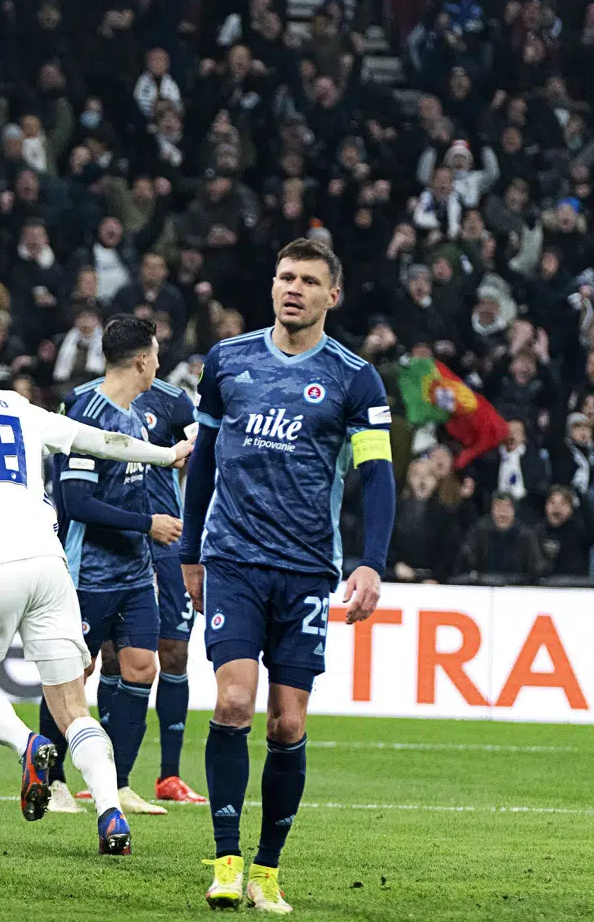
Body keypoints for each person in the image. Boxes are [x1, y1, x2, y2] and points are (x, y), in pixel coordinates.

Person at [0, 329, 190, 855]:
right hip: (49, 561)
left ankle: (27, 744)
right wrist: (167, 455)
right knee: (74, 704)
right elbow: (97, 440)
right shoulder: (17, 405)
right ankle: (111, 812)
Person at [179, 238, 396, 912]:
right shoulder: (227, 361)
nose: (292, 288)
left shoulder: (354, 377)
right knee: (233, 702)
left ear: (333, 295)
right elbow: (205, 459)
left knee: (285, 724)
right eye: (283, 276)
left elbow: (378, 476)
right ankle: (224, 859)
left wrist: (372, 561)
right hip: (233, 558)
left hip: (306, 568)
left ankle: (267, 870)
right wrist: (190, 551)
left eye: (307, 279)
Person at [40, 316, 185, 819]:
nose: (159, 364)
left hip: (133, 574)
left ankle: (119, 783)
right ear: (142, 360)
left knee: (142, 667)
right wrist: (147, 523)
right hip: (87, 573)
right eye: (157, 355)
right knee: (74, 672)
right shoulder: (90, 413)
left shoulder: (135, 417)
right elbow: (75, 500)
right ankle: (52, 780)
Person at [114, 376, 206, 806]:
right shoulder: (92, 398)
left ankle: (169, 776)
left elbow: (203, 454)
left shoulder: (174, 400)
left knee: (174, 650)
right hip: (112, 536)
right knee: (114, 654)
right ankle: (111, 776)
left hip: (168, 537)